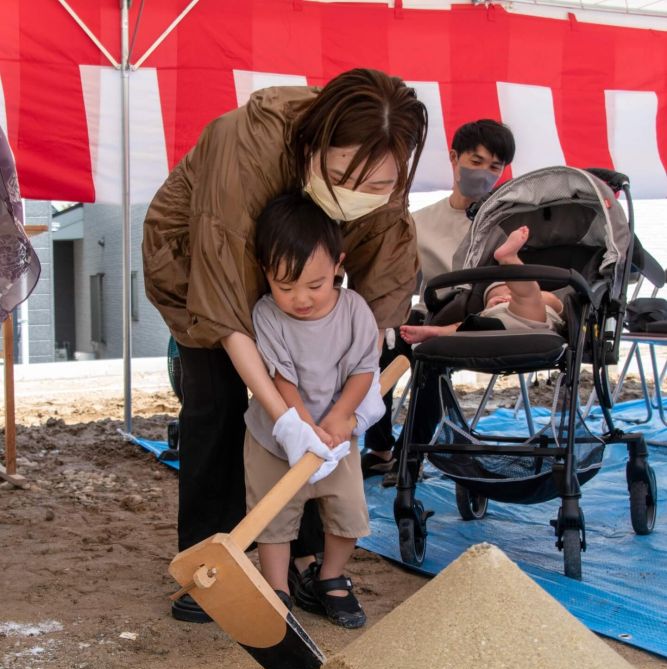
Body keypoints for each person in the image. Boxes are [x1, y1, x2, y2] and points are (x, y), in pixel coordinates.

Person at [142, 69, 427, 622]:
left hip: (308, 273)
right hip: (203, 258)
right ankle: (214, 562)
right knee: (221, 403)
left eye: (375, 184)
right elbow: (225, 304)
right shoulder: (246, 141)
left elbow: (387, 267)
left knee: (322, 407)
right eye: (343, 174)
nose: (356, 192)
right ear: (314, 145)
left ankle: (307, 558)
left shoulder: (386, 164)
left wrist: (364, 378)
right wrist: (281, 415)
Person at [245, 193, 384, 629]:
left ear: (338, 265)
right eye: (285, 286)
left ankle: (331, 576)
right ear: (265, 272)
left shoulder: (355, 310)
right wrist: (302, 425)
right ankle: (276, 591)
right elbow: (280, 378)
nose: (300, 298)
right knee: (274, 516)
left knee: (347, 510)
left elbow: (365, 369)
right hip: (274, 436)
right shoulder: (266, 314)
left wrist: (341, 417)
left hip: (338, 439)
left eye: (315, 285)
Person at [361, 118, 516, 483]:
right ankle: (380, 447)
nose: (483, 173)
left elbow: (505, 291)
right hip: (423, 315)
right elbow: (401, 285)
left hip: (469, 324)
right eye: (475, 161)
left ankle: (409, 456)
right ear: (454, 157)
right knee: (379, 354)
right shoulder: (420, 222)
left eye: (494, 167)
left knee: (430, 363)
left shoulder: (504, 226)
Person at [400, 226, 564, 345]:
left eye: (509, 287)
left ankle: (435, 331)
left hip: (499, 322)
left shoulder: (543, 303)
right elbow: (542, 298)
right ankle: (508, 260)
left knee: (464, 327)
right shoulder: (539, 302)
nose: (509, 290)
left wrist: (505, 300)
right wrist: (498, 302)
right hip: (507, 320)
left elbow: (546, 299)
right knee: (528, 296)